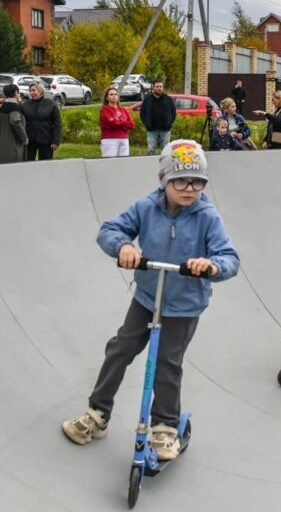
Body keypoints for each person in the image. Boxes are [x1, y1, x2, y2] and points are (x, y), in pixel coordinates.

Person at [61, 139, 240, 459]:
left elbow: (229, 258)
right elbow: (109, 230)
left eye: (197, 181)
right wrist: (124, 247)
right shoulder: (145, 208)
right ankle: (98, 414)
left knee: (166, 364)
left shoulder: (207, 217)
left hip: (184, 306)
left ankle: (164, 427)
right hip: (146, 298)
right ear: (164, 179)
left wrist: (210, 265)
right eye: (180, 180)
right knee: (120, 349)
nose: (189, 188)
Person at [22, 81, 61, 161]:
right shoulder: (25, 105)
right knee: (27, 164)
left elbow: (57, 124)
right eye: (30, 91)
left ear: (40, 91)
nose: (31, 93)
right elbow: (21, 122)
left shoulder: (51, 104)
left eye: (34, 90)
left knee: (45, 165)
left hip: (46, 140)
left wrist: (56, 141)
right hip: (30, 140)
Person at [0, 84, 27, 164]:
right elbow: (15, 122)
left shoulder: (2, 108)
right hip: (11, 147)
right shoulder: (14, 108)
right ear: (16, 93)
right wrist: (24, 138)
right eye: (18, 93)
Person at [139, 80, 177, 154]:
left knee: (166, 151)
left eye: (161, 86)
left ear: (163, 88)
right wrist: (147, 124)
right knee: (151, 150)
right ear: (153, 87)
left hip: (165, 130)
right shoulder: (147, 100)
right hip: (151, 130)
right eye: (157, 86)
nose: (159, 88)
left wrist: (169, 124)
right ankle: (151, 165)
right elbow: (142, 113)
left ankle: (165, 165)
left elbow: (173, 113)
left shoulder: (168, 99)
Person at [100, 87, 134, 157]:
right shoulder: (105, 110)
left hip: (124, 139)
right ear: (107, 98)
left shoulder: (123, 110)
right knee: (110, 162)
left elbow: (131, 125)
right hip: (110, 139)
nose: (114, 96)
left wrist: (120, 121)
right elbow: (113, 123)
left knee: (124, 162)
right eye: (111, 94)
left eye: (115, 94)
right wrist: (124, 122)